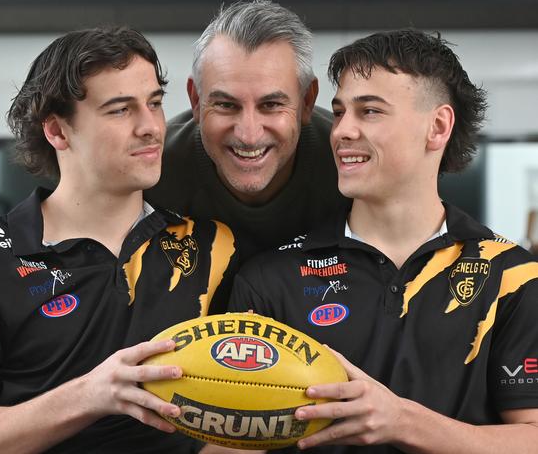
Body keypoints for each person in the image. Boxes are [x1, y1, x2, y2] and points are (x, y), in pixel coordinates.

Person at [0, 26, 237, 454]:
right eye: (120, 110)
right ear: (58, 132)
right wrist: (90, 394)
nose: (151, 127)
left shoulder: (211, 244)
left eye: (154, 103)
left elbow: (244, 416)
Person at [229, 29, 538, 453]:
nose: (341, 132)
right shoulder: (269, 279)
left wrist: (401, 420)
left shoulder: (514, 277)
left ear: (438, 126)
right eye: (339, 113)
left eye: (369, 111)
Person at [145, 0, 344, 261]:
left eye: (271, 105)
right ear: (196, 100)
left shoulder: (350, 166)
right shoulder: (150, 176)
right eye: (226, 105)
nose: (248, 135)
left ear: (307, 101)